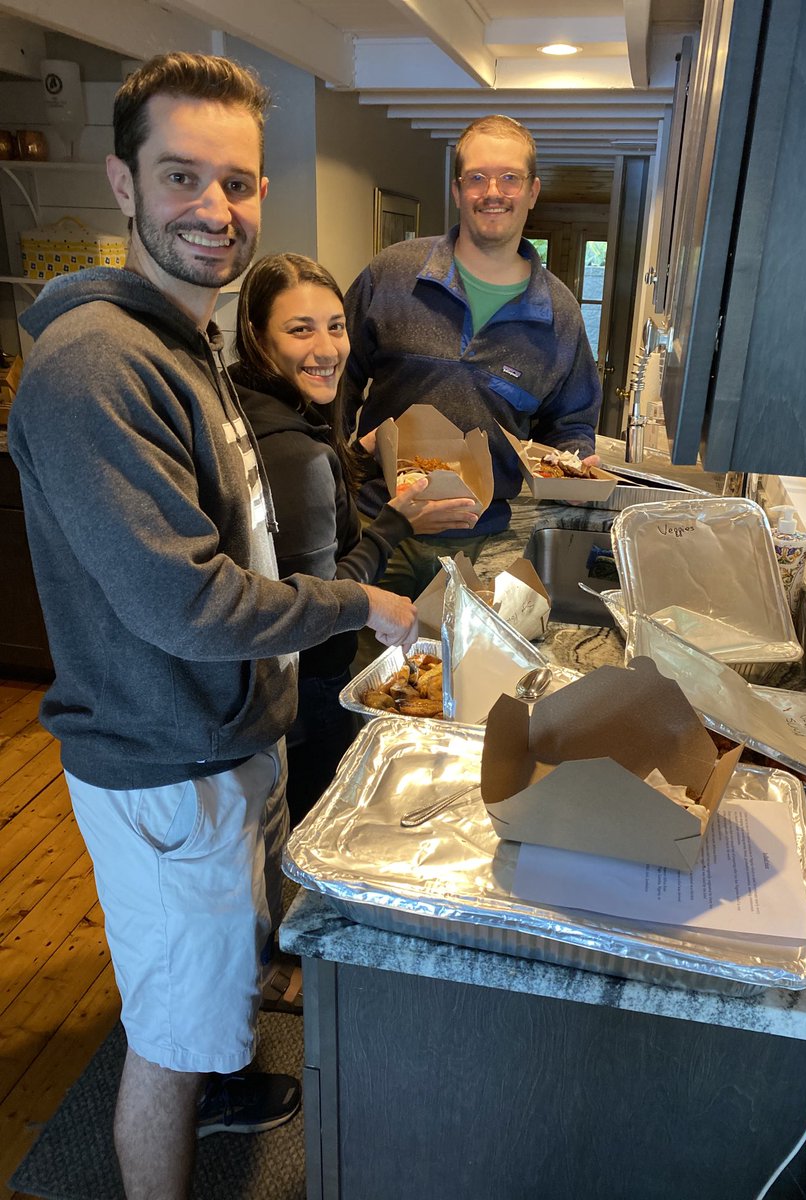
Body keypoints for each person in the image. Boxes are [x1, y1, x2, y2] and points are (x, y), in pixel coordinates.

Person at [7, 53, 416, 1200]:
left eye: (236, 183)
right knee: (168, 1036)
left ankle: (224, 1081)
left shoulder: (187, 340)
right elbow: (184, 601)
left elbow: (250, 540)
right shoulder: (95, 368)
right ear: (124, 183)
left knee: (219, 976)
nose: (214, 208)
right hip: (161, 758)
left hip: (228, 736)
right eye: (181, 175)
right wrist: (367, 602)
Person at [227, 253, 478, 823]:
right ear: (257, 336)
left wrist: (350, 459)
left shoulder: (249, 408)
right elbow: (322, 604)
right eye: (299, 329)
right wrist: (396, 522)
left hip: (256, 688)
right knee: (312, 826)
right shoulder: (297, 455)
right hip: (307, 692)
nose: (327, 348)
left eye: (335, 326)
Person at [342, 113, 604, 609]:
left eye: (510, 178)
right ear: (458, 189)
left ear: (532, 191)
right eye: (477, 178)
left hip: (484, 543)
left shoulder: (560, 313)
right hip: (377, 529)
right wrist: (340, 466)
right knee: (369, 678)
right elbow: (336, 381)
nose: (493, 192)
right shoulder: (392, 275)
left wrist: (573, 467)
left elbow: (569, 422)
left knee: (470, 678)